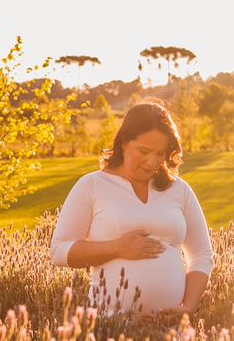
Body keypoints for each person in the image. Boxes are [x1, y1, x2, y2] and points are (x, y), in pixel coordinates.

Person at [50, 100, 213, 322]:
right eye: (144, 151)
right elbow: (59, 251)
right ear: (124, 142)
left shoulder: (179, 189)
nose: (151, 162)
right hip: (109, 330)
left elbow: (202, 255)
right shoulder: (92, 185)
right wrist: (116, 247)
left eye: (160, 153)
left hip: (169, 331)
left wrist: (189, 308)